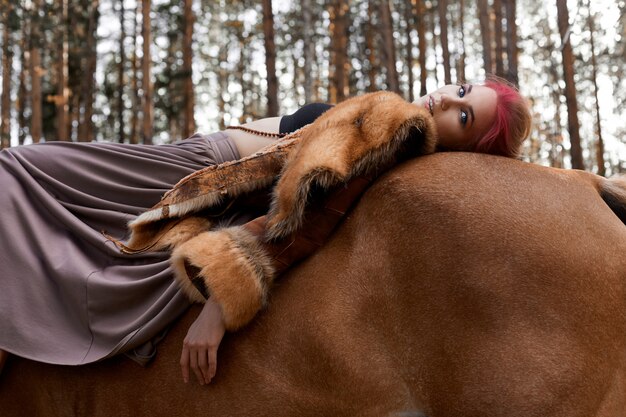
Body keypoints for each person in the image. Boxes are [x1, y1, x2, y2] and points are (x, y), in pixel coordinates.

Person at [0, 78, 532, 385]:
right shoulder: (396, 125)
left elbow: (305, 217)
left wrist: (218, 302)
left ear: (464, 148)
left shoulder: (397, 129)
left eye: (463, 116)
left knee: (17, 169)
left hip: (198, 168)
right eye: (462, 89)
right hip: (198, 166)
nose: (444, 100)